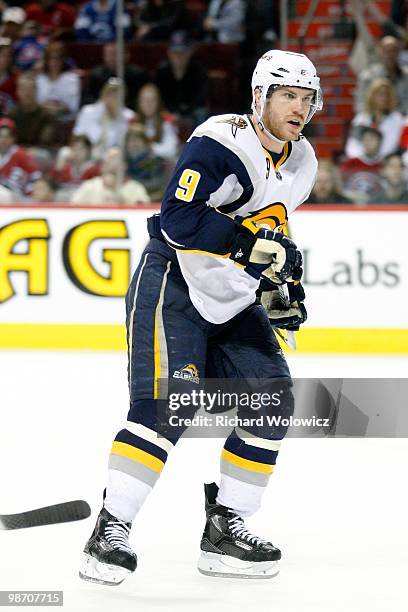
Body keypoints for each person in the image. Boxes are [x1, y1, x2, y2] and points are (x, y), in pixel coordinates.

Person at [79, 49, 322, 584]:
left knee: (272, 400)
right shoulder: (221, 141)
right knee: (169, 406)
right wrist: (252, 250)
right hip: (175, 282)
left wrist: (282, 282)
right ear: (259, 96)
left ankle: (225, 528)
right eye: (287, 95)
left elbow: (272, 230)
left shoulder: (303, 162)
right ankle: (109, 530)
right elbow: (178, 218)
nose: (298, 107)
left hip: (232, 298)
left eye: (306, 98)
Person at [154, 30, 208, 126]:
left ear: (190, 52)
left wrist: (182, 114)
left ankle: (197, 139)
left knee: (200, 113)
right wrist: (168, 113)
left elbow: (200, 100)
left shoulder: (199, 71)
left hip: (191, 113)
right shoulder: (161, 72)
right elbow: (158, 97)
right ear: (169, 53)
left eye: (183, 52)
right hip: (167, 112)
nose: (179, 57)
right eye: (175, 52)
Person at [73, 78, 135, 161]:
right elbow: (78, 136)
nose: (112, 98)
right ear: (103, 95)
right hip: (88, 153)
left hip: (113, 156)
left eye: (117, 95)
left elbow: (126, 143)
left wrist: (115, 117)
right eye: (110, 94)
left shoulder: (129, 116)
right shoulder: (88, 111)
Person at [345, 77, 405, 160]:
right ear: (371, 96)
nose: (383, 98)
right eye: (379, 94)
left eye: (386, 94)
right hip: (362, 163)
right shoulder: (361, 118)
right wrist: (365, 160)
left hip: (387, 163)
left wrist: (377, 160)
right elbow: (352, 147)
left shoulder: (397, 119)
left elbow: (392, 146)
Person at [70, 146, 150, 205]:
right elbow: (73, 208)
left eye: (113, 157)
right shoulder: (90, 186)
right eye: (107, 158)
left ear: (124, 165)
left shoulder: (135, 188)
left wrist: (119, 193)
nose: (108, 160)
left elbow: (143, 212)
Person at [81, 42, 148, 108]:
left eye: (115, 54)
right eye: (108, 54)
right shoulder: (96, 75)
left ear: (127, 55)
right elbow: (87, 100)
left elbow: (143, 99)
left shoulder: (138, 75)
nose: (111, 58)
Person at [354, 36, 408, 114]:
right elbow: (360, 104)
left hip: (402, 120)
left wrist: (396, 118)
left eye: (393, 51)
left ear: (399, 53)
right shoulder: (368, 76)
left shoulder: (406, 76)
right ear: (380, 52)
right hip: (375, 121)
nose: (390, 55)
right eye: (386, 51)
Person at [8, 71, 56, 148]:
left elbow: (45, 141)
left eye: (30, 88)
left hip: (37, 152)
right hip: (15, 152)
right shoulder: (11, 115)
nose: (27, 93)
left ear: (36, 91)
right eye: (23, 89)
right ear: (17, 92)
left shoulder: (47, 116)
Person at [134, 82, 179, 160]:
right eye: (144, 100)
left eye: (151, 100)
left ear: (158, 102)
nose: (148, 104)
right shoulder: (134, 122)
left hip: (162, 165)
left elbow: (171, 149)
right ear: (139, 102)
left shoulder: (167, 121)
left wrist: (150, 148)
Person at [35, 41, 81, 119]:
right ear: (47, 61)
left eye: (59, 58)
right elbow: (36, 105)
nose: (55, 62)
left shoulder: (72, 79)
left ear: (63, 60)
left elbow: (73, 107)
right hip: (42, 120)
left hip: (65, 121)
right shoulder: (39, 79)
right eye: (52, 58)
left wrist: (49, 107)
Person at [0, 117, 40, 198]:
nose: (4, 140)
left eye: (8, 136)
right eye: (1, 136)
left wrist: (29, 194)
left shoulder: (21, 155)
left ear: (13, 138)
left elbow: (36, 176)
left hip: (16, 195)